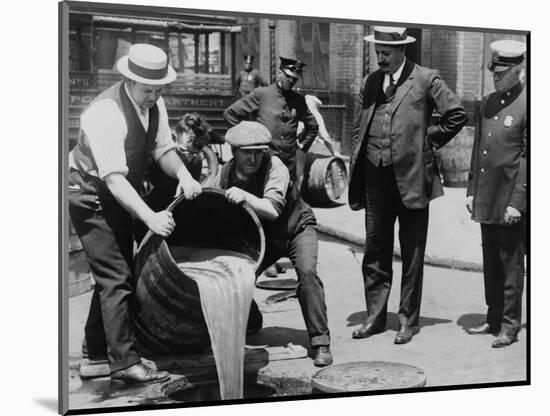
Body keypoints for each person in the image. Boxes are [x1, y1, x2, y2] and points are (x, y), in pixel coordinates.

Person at [68, 43, 202, 384]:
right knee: (116, 277)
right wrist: (150, 217)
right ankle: (125, 362)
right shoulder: (105, 113)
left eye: (159, 90)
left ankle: (95, 356)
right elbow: (114, 179)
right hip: (90, 191)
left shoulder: (154, 104)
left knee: (116, 274)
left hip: (114, 190)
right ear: (129, 80)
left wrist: (184, 174)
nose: (153, 97)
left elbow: (163, 149)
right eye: (147, 91)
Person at [348, 27, 467, 344]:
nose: (381, 57)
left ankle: (407, 321)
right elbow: (359, 128)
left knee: (412, 254)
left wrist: (427, 141)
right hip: (375, 179)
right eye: (377, 52)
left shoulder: (426, 78)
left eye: (386, 52)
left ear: (401, 50)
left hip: (413, 179)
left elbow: (456, 114)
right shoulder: (371, 82)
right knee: (375, 250)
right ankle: (374, 317)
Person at [212, 121, 333, 367]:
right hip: (264, 236)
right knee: (236, 275)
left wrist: (244, 195)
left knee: (308, 275)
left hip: (296, 227)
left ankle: (320, 342)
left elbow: (272, 209)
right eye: (247, 152)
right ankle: (252, 317)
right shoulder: (225, 173)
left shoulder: (275, 166)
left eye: (259, 151)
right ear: (234, 152)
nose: (254, 158)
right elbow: (207, 197)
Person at [465, 40, 527, 348]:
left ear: (519, 70)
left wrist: (518, 201)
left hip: (510, 198)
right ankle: (493, 317)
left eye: (503, 72)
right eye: (494, 71)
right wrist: (471, 189)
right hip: (487, 196)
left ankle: (510, 324)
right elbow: (479, 149)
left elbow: (529, 158)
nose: (496, 76)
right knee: (490, 260)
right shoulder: (487, 103)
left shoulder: (530, 103)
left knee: (510, 263)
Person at [224, 56, 319, 183]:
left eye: (294, 79)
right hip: (264, 163)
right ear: (280, 74)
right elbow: (230, 114)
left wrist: (302, 146)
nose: (291, 81)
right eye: (288, 77)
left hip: (288, 164)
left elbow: (313, 126)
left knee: (288, 198)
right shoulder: (262, 94)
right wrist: (247, 140)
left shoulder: (298, 101)